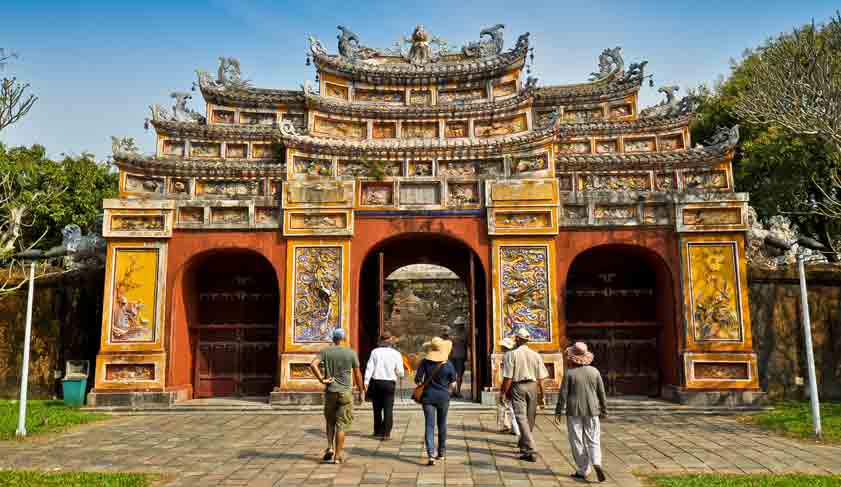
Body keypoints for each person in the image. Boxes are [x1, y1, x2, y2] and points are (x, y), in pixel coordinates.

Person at [554, 342, 608, 483]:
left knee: (576, 440)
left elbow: (563, 394)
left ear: (572, 358)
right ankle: (596, 461)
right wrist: (604, 409)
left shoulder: (570, 373)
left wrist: (558, 411)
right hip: (592, 409)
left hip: (573, 410)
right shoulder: (594, 371)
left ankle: (583, 469)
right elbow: (601, 392)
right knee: (593, 438)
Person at [310, 328, 365, 464]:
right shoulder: (351, 353)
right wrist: (361, 389)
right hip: (345, 392)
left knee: (330, 422)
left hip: (330, 392)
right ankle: (338, 456)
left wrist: (322, 379)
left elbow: (313, 364)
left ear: (333, 338)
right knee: (342, 425)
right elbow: (357, 374)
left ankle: (330, 447)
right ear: (344, 338)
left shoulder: (325, 352)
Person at [500, 328, 549, 462]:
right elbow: (541, 378)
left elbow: (508, 377)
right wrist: (542, 395)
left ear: (517, 339)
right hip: (533, 386)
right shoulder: (535, 355)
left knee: (521, 417)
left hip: (518, 386)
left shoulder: (511, 354)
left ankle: (531, 449)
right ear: (527, 340)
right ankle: (524, 445)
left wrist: (503, 392)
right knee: (530, 417)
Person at [415, 336, 457, 466]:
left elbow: (417, 379)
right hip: (443, 397)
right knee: (442, 424)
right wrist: (448, 390)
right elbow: (454, 383)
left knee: (429, 425)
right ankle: (442, 452)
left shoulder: (424, 362)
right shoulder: (448, 364)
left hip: (428, 397)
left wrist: (425, 383)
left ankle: (430, 454)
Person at [364, 331, 404, 440]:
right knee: (388, 408)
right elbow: (400, 371)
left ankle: (377, 431)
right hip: (389, 383)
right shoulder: (396, 353)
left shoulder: (375, 352)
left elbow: (369, 368)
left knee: (377, 408)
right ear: (390, 341)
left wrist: (366, 382)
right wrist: (400, 375)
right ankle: (386, 433)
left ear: (381, 341)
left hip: (376, 382)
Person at [496, 337, 520, 436]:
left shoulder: (508, 356)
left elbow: (507, 375)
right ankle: (514, 427)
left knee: (510, 407)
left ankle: (515, 428)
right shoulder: (515, 354)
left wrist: (503, 391)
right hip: (518, 383)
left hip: (511, 383)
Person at [447, 320, 469, 398]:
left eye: (459, 325)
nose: (458, 326)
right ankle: (453, 391)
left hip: (460, 356)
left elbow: (466, 343)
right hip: (452, 356)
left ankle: (458, 391)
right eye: (457, 325)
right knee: (452, 375)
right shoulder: (453, 332)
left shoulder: (465, 333)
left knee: (459, 375)